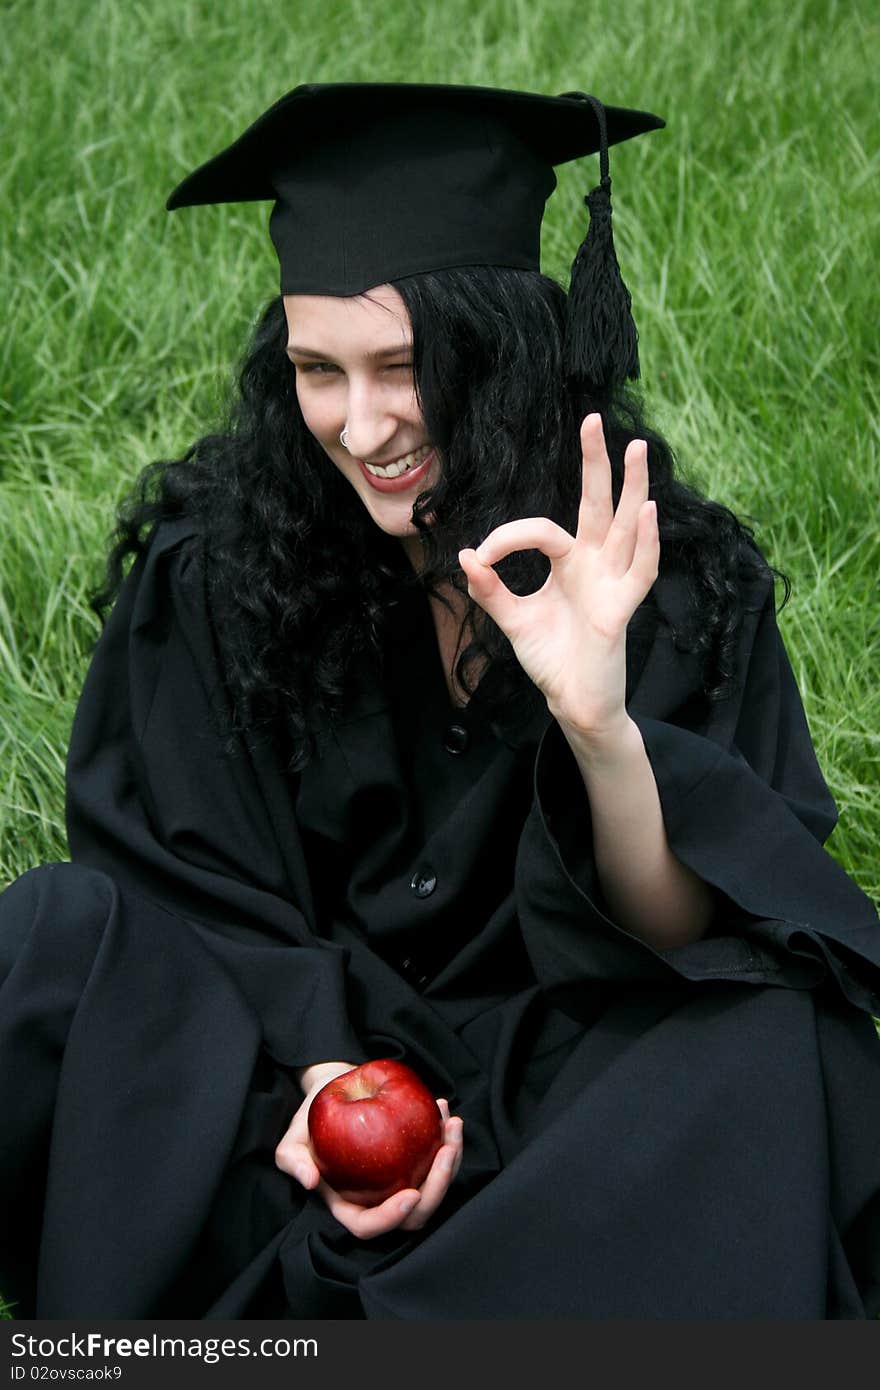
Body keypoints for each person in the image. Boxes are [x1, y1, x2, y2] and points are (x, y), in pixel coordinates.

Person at [1, 82, 878, 1319]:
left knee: (775, 1046)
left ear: (504, 349)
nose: (360, 427)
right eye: (317, 369)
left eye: (403, 368)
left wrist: (597, 726)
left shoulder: (659, 581)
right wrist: (317, 1079)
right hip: (280, 1086)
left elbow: (689, 936)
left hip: (558, 1089)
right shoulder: (217, 571)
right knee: (47, 942)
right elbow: (181, 882)